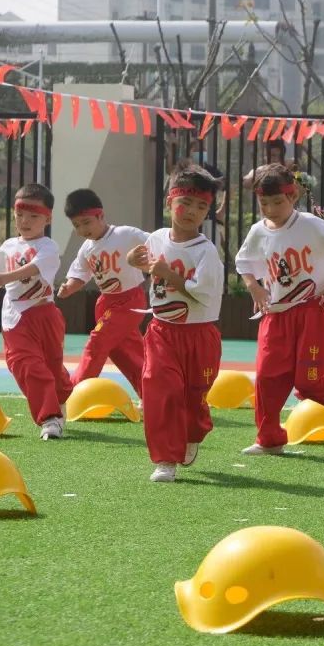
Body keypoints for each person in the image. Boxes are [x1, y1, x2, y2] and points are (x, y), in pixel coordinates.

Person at [234, 164, 324, 455]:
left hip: (312, 312)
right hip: (276, 315)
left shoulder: (309, 224)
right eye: (264, 203)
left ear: (292, 197)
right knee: (268, 378)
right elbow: (243, 263)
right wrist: (254, 287)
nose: (270, 209)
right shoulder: (258, 231)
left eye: (277, 202)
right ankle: (268, 439)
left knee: (308, 382)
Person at [127, 165, 225, 482]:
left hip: (199, 336)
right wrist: (134, 261)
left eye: (202, 207)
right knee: (159, 389)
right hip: (161, 332)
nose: (192, 212)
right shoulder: (155, 239)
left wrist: (168, 274)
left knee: (194, 398)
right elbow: (144, 266)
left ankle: (193, 432)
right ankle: (165, 460)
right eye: (186, 203)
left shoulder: (206, 251)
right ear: (170, 202)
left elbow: (204, 295)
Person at [0, 183, 72, 440]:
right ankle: (49, 418)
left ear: (47, 218)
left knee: (52, 367)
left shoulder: (48, 247)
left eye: (33, 216)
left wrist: (6, 276)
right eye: (19, 214)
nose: (25, 221)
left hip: (45, 315)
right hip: (16, 318)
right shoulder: (7, 247)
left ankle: (60, 398)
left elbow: (34, 269)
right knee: (25, 365)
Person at [57, 189, 149, 396]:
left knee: (98, 341)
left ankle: (73, 392)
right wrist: (69, 287)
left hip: (130, 302)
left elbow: (158, 244)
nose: (82, 229)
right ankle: (152, 393)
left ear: (101, 215)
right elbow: (79, 274)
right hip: (106, 304)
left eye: (86, 222)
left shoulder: (125, 234)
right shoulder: (86, 249)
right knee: (126, 352)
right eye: (76, 225)